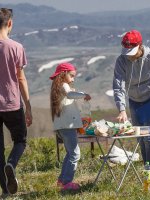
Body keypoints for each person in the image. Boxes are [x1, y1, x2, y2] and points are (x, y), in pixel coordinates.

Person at [113, 30, 150, 186]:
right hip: (135, 101)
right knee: (141, 139)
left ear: (139, 46)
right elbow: (118, 86)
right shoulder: (121, 60)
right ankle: (146, 175)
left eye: (132, 52)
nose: (129, 55)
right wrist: (121, 109)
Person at [0, 8, 32, 196]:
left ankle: (5, 190)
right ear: (10, 23)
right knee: (20, 140)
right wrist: (28, 107)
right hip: (12, 103)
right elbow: (21, 79)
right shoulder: (16, 47)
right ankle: (11, 164)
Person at [50, 62, 91, 190]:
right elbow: (70, 95)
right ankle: (67, 182)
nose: (73, 79)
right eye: (71, 76)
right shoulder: (63, 85)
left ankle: (62, 180)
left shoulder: (58, 87)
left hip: (63, 126)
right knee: (75, 154)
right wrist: (83, 94)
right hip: (67, 126)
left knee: (70, 153)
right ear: (63, 74)